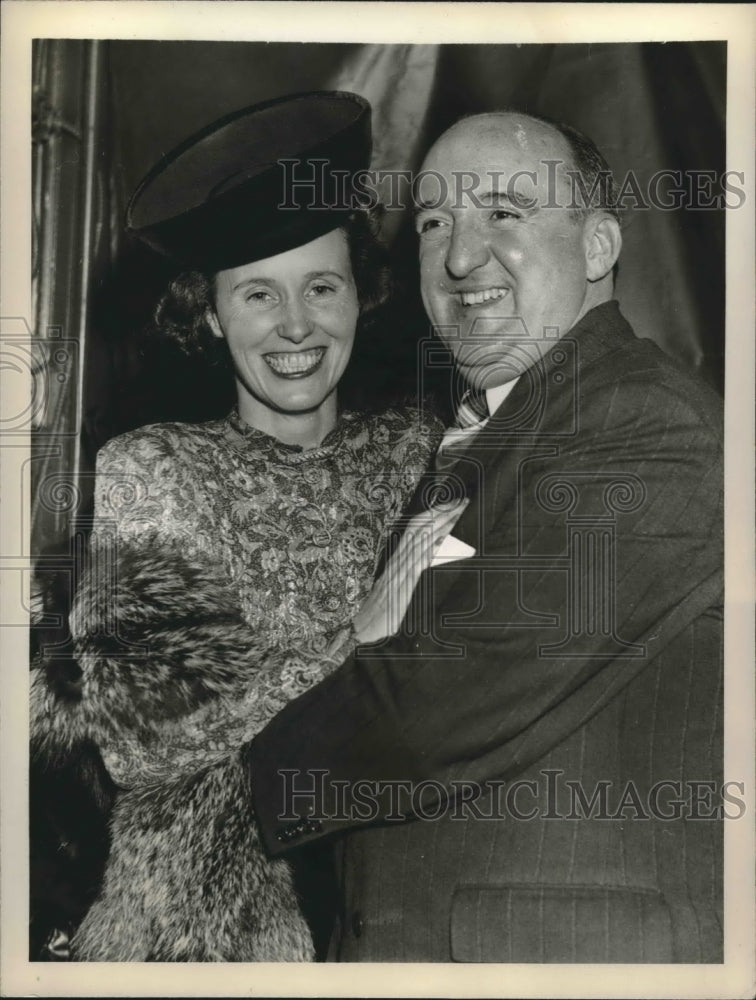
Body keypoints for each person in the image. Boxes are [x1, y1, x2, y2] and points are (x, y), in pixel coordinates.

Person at [245, 111, 725, 962]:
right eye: (434, 223)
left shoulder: (644, 420)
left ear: (598, 246)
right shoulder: (487, 432)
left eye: (503, 212)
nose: (461, 258)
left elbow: (429, 706)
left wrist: (220, 779)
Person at [29, 91, 449, 961]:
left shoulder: (422, 451)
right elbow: (146, 736)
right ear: (212, 314)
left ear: (361, 295)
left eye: (321, 286)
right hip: (208, 938)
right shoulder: (155, 467)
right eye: (259, 293)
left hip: (407, 907)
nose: (295, 325)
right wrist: (356, 635)